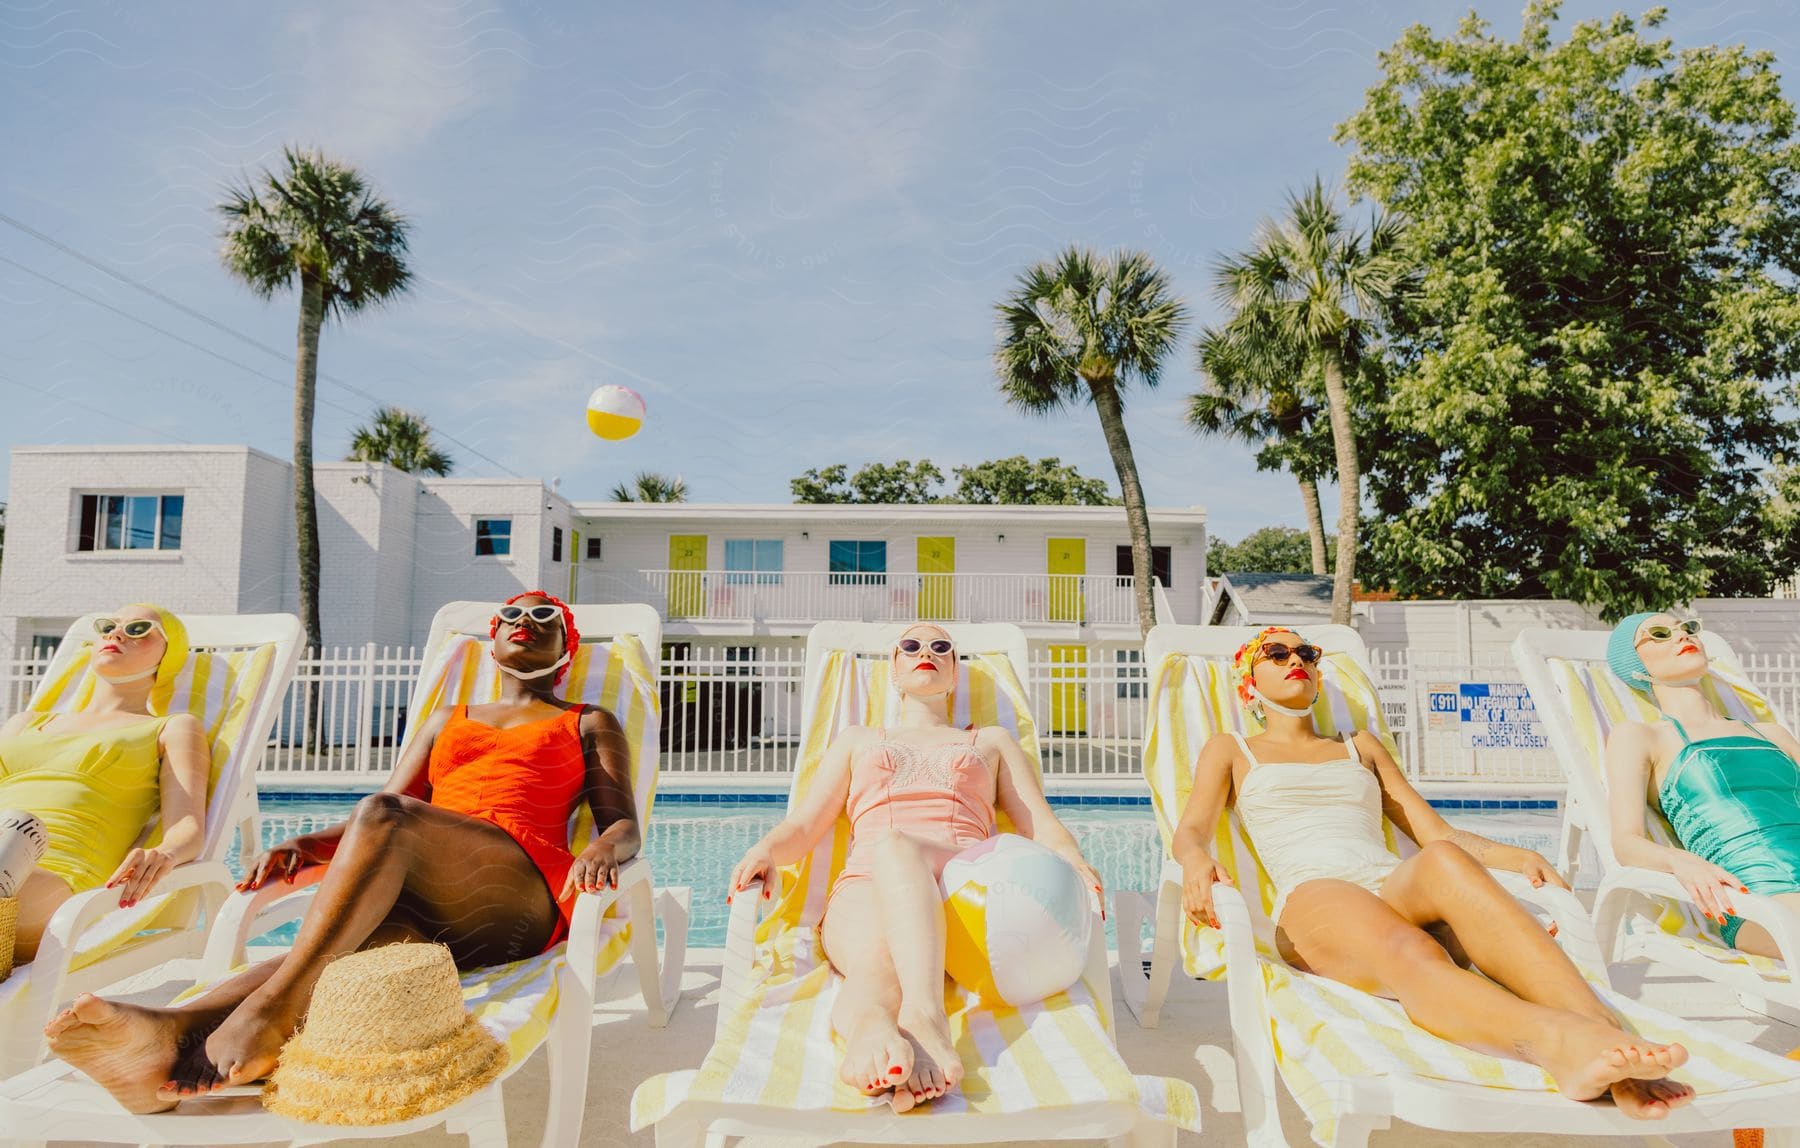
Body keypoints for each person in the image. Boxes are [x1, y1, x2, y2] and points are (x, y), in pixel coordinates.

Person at [44, 591, 640, 1114]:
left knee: (376, 830)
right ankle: (163, 1035)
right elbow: (387, 809)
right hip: (433, 904)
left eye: (544, 617)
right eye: (511, 613)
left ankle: (268, 1016)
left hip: (517, 899)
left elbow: (624, 825)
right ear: (493, 642)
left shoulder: (587, 719)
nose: (524, 621)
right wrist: (308, 843)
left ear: (566, 648)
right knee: (334, 957)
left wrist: (605, 848)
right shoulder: (446, 719)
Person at [1172, 627, 1694, 1119]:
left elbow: (1436, 834)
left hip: (1389, 884)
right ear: (1249, 682)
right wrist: (1196, 860)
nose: (1297, 662)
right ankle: (1563, 1045)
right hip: (1318, 895)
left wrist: (1515, 856)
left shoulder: (1360, 745)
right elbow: (1190, 829)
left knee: (1446, 862)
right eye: (1278, 655)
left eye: (1307, 654)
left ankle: (1609, 1042)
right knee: (1413, 952)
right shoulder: (1232, 749)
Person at [728, 623, 1102, 1112]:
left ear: (953, 674)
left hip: (968, 881)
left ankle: (925, 1016)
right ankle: (872, 1031)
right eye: (911, 645)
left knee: (894, 846)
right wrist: (764, 851)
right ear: (894, 672)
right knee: (874, 965)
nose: (926, 651)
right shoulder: (857, 739)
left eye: (940, 647)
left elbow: (1040, 824)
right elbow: (803, 826)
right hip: (866, 887)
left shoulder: (991, 741)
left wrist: (1073, 860)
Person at [0, 605, 210, 964]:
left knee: (19, 828)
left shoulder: (171, 727)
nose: (116, 634)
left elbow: (187, 824)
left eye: (140, 629)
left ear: (168, 654)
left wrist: (165, 853)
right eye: (108, 626)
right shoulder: (25, 722)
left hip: (50, 882)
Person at [1602, 611, 1800, 958]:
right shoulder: (1641, 737)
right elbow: (1626, 843)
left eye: (1688, 628)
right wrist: (1681, 861)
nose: (1682, 636)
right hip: (1759, 899)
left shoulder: (1771, 733)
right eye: (1660, 633)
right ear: (1635, 666)